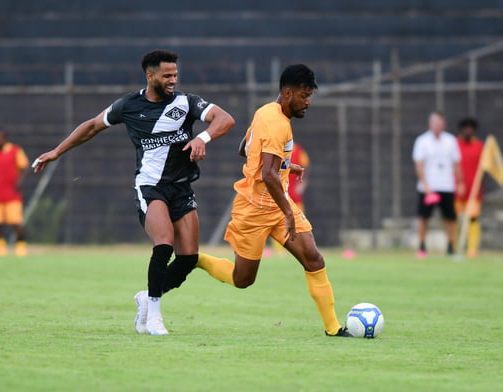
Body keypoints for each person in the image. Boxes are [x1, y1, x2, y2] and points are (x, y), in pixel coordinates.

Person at [32, 50, 235, 336]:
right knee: (164, 243)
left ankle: (146, 297)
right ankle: (154, 316)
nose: (172, 80)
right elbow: (91, 127)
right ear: (150, 75)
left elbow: (225, 119)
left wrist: (203, 137)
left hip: (181, 187)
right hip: (150, 186)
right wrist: (55, 152)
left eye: (175, 75)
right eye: (166, 75)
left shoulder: (186, 102)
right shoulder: (128, 105)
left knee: (188, 258)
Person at [196, 64, 352, 337]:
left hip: (277, 205)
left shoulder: (265, 111)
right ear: (288, 93)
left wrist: (286, 166)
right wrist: (289, 212)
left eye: (309, 95)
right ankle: (195, 259)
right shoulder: (275, 122)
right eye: (304, 96)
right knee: (242, 279)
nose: (308, 102)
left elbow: (244, 149)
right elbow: (267, 173)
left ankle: (334, 328)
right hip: (255, 208)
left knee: (314, 259)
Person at [412, 111, 464, 258]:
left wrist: (460, 182)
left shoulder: (451, 140)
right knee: (423, 217)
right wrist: (426, 186)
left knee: (450, 218)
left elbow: (456, 163)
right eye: (434, 122)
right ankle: (422, 247)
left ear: (443, 124)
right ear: (430, 124)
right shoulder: (422, 141)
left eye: (439, 122)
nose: (437, 125)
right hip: (428, 188)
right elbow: (419, 165)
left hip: (447, 186)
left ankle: (450, 247)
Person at [264, 142, 310, 256]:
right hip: (279, 191)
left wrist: (303, 184)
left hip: (293, 193)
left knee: (299, 221)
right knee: (276, 221)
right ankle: (279, 251)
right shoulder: (274, 149)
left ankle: (300, 249)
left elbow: (307, 166)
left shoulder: (298, 150)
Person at [455, 118, 484, 258]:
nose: (468, 131)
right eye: (465, 128)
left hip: (474, 191)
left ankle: (472, 249)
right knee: (456, 219)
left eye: (471, 128)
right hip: (457, 190)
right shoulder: (454, 144)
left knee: (473, 219)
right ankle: (455, 246)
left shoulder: (479, 146)